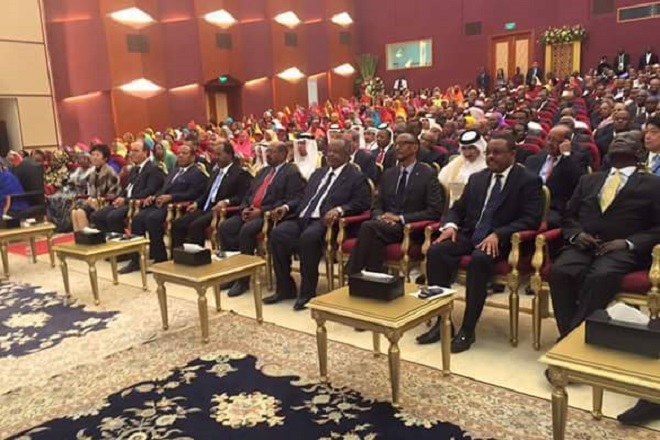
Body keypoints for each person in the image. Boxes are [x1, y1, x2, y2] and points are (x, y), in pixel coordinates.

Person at [418, 133, 542, 351]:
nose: (491, 157)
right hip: (471, 233)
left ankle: (468, 329)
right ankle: (442, 321)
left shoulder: (528, 180)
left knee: (479, 260)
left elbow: (531, 219)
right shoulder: (477, 178)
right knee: (437, 252)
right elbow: (457, 209)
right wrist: (450, 226)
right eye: (489, 153)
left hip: (503, 241)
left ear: (512, 154)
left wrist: (500, 234)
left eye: (497, 153)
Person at [549, 132, 660, 340]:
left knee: (600, 277)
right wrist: (577, 234)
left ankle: (571, 340)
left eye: (627, 140)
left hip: (621, 251)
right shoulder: (589, 180)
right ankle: (571, 335)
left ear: (639, 152)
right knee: (560, 271)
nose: (619, 141)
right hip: (584, 245)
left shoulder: (654, 184)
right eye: (616, 140)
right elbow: (568, 215)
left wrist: (628, 243)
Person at [268, 139, 371, 309]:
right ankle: (285, 288)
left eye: (336, 152)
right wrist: (286, 207)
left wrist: (340, 210)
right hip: (302, 217)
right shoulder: (318, 173)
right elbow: (302, 197)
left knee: (308, 238)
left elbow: (362, 203)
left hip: (326, 222)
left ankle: (307, 292)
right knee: (278, 234)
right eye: (329, 151)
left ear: (347, 154)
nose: (331, 155)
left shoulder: (356, 177)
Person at [347, 133, 444, 275]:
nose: (397, 148)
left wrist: (400, 219)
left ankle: (352, 274)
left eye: (403, 144)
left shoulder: (427, 174)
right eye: (396, 144)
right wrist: (381, 217)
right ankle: (375, 279)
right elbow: (377, 205)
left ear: (415, 148)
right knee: (374, 238)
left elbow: (434, 211)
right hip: (383, 226)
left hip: (410, 228)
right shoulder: (389, 174)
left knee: (368, 227)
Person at [218, 142, 305, 297]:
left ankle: (243, 280)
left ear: (283, 154)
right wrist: (245, 207)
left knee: (247, 231)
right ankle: (233, 273)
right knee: (226, 227)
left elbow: (294, 199)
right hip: (251, 212)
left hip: (270, 216)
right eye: (267, 151)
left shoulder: (291, 172)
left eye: (272, 152)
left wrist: (262, 211)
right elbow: (249, 194)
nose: (268, 155)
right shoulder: (263, 171)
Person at [119, 144, 208, 273]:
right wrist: (154, 196)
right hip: (161, 204)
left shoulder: (197, 174)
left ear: (193, 157)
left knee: (152, 219)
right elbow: (163, 189)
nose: (180, 156)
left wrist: (172, 197)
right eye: (179, 153)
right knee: (138, 219)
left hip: (177, 206)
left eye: (184, 153)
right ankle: (136, 260)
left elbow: (194, 194)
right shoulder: (174, 171)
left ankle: (160, 258)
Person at [171, 141, 252, 249]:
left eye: (219, 154)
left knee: (195, 226)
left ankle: (197, 257)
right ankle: (179, 255)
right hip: (206, 208)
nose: (216, 157)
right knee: (178, 224)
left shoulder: (240, 173)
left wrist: (227, 201)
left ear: (229, 155)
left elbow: (242, 196)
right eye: (215, 154)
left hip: (222, 211)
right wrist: (197, 203)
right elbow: (207, 194)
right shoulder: (215, 172)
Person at [92, 140, 165, 234]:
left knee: (113, 216)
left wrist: (126, 200)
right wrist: (120, 197)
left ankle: (121, 241)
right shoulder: (133, 169)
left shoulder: (154, 169)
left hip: (138, 203)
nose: (131, 154)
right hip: (126, 202)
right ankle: (107, 239)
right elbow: (127, 188)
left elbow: (149, 191)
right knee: (97, 216)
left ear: (145, 153)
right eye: (131, 151)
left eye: (136, 151)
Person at [524, 125, 585, 228]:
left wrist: (566, 155)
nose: (549, 143)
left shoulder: (576, 159)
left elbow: (578, 182)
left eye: (555, 140)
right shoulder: (534, 159)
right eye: (548, 138)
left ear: (566, 143)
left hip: (554, 208)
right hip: (530, 203)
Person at [70, 144, 122, 232]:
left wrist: (96, 200)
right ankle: (80, 237)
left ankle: (88, 238)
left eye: (97, 155)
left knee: (81, 212)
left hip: (106, 203)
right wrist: (90, 199)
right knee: (74, 212)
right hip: (94, 202)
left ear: (105, 158)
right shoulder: (92, 173)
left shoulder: (110, 173)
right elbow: (91, 192)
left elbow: (114, 194)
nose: (94, 157)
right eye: (93, 155)